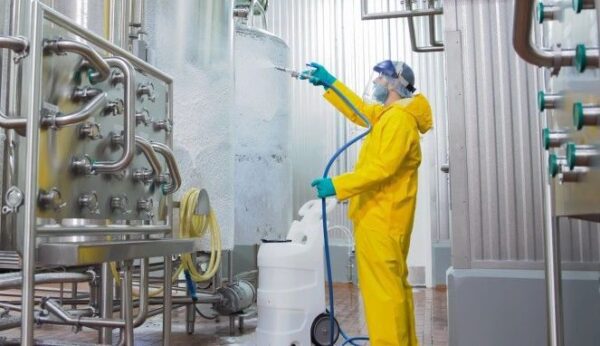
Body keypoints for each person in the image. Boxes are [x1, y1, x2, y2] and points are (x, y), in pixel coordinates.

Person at [301, 60, 433, 346]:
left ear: (394, 84)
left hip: (382, 219)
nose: (375, 83)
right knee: (394, 290)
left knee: (382, 297)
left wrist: (336, 186)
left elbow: (382, 169)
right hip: (384, 218)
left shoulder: (398, 120)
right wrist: (331, 83)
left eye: (380, 79)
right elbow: (360, 111)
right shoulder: (391, 114)